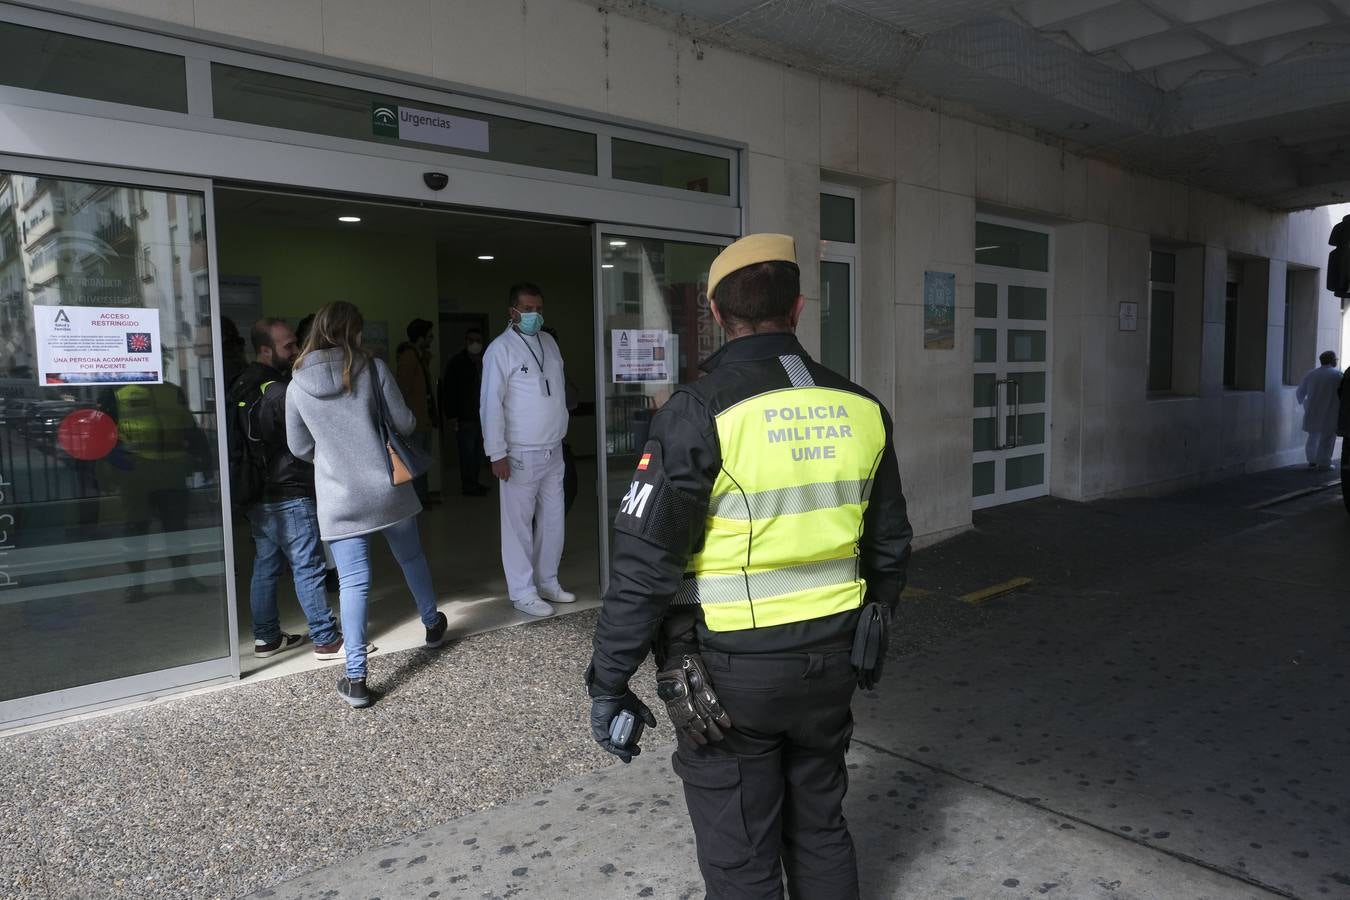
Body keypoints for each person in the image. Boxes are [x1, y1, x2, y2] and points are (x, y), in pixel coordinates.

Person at [585, 234, 913, 900]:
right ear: (797, 308)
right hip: (833, 664)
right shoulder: (862, 409)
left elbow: (647, 567)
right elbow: (890, 547)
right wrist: (866, 629)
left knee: (741, 853)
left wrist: (609, 680)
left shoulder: (698, 411)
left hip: (731, 676)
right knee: (820, 826)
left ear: (712, 311)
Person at [286, 301, 449, 708]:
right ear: (353, 332)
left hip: (339, 497)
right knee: (411, 558)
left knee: (353, 582)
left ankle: (356, 677)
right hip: (387, 488)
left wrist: (333, 459)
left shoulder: (295, 384)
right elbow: (406, 423)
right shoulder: (372, 368)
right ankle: (431, 625)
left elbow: (299, 446)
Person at [229, 318, 342, 659]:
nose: (296, 350)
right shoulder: (279, 390)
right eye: (288, 345)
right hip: (288, 491)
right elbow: (300, 442)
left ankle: (266, 638)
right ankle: (326, 638)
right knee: (307, 565)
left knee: (266, 565)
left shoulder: (238, 385)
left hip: (255, 494)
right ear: (265, 350)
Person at [480, 283, 575, 618]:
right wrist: (497, 453)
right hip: (519, 451)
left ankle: (547, 579)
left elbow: (558, 391)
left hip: (553, 447)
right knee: (518, 524)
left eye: (538, 308)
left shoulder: (549, 343)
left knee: (552, 520)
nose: (535, 315)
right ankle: (522, 590)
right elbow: (490, 405)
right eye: (528, 309)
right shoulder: (500, 350)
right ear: (513, 312)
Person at [442, 327, 489, 497]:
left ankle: (475, 482)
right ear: (466, 341)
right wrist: (452, 416)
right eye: (471, 340)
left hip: (484, 416)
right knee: (467, 453)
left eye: (478, 340)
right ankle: (468, 486)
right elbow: (449, 390)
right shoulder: (457, 362)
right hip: (465, 416)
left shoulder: (488, 360)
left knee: (478, 453)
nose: (475, 344)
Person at [396, 318, 438, 506]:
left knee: (422, 461)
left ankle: (423, 496)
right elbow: (402, 391)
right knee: (416, 462)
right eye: (429, 336)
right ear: (420, 337)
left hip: (423, 419)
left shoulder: (419, 356)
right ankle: (418, 499)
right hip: (414, 421)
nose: (432, 339)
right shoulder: (409, 357)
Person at [1296, 350, 1343, 470]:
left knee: (1313, 436)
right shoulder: (1337, 375)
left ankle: (1312, 460)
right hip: (1330, 410)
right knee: (1327, 437)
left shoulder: (1311, 374)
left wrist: (1305, 404)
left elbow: (1300, 392)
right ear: (1332, 361)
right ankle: (1324, 462)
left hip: (1313, 410)